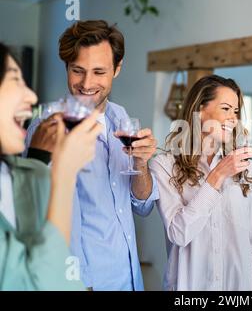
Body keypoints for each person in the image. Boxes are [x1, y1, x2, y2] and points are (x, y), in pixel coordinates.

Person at [24, 20, 159, 291]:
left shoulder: (120, 117)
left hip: (129, 279)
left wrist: (141, 165)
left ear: (117, 69)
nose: (87, 83)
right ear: (66, 68)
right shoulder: (49, 127)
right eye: (78, 71)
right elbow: (41, 217)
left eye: (99, 71)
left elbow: (142, 206)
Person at [150, 75, 252, 291]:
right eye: (225, 108)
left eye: (235, 111)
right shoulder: (164, 166)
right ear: (199, 110)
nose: (233, 119)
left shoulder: (246, 169)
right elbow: (179, 233)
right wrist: (216, 176)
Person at [0, 42, 101, 290]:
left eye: (99, 71)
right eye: (15, 80)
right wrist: (64, 172)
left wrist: (39, 158)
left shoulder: (12, 170)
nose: (32, 96)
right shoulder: (39, 129)